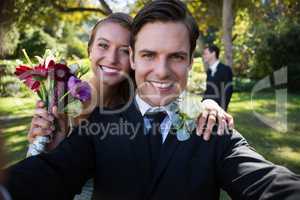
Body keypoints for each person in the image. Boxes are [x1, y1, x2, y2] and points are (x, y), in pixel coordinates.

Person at [5, 0, 300, 199]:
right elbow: (50, 172)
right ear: (134, 59)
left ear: (190, 62)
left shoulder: (213, 128)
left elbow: (265, 179)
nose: (162, 71)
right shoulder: (97, 123)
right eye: (149, 55)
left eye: (176, 56)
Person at [25, 11, 234, 200]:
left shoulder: (136, 105)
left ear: (134, 57)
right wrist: (42, 145)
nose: (112, 58)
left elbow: (175, 96)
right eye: (103, 45)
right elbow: (40, 174)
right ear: (89, 49)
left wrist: (208, 103)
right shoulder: (62, 99)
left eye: (124, 50)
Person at [202, 44, 233, 111]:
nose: (203, 56)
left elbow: (228, 91)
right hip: (208, 108)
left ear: (213, 54)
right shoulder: (209, 71)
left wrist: (221, 110)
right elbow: (208, 91)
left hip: (219, 110)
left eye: (205, 54)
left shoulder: (226, 70)